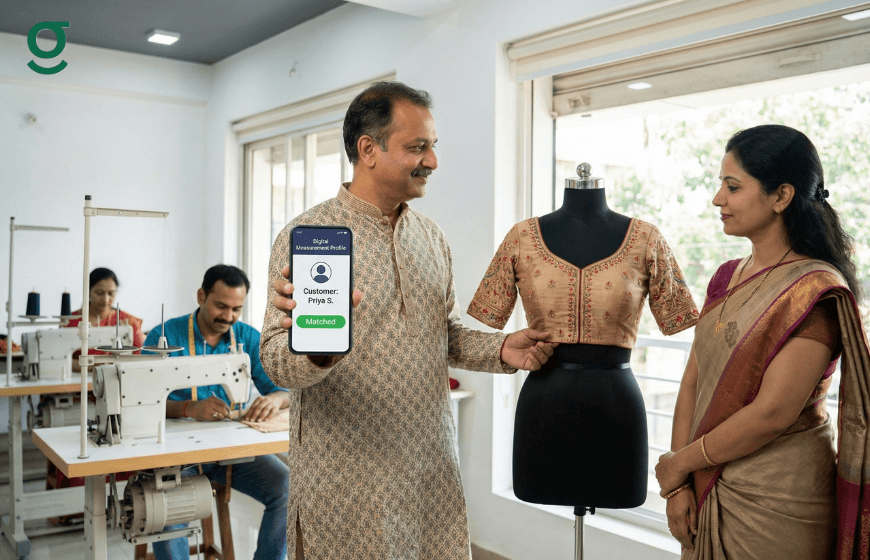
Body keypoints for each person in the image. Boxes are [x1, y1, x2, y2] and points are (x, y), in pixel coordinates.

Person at [261, 81, 557, 560]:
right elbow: (275, 360)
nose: (432, 161)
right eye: (417, 147)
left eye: (433, 146)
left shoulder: (431, 237)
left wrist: (503, 349)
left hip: (429, 471)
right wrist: (318, 351)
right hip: (347, 483)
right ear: (368, 150)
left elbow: (445, 335)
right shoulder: (308, 235)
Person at [654, 124, 870, 560]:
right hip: (703, 478)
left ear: (781, 196)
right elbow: (693, 382)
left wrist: (681, 463)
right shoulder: (726, 275)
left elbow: (773, 413)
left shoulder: (814, 291)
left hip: (778, 498)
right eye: (720, 185)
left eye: (732, 187)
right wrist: (677, 482)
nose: (718, 199)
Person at [467, 166, 698, 510]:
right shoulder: (521, 237)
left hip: (616, 407)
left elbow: (677, 316)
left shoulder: (647, 239)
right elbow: (491, 312)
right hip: (543, 406)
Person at [143, 264, 289, 560]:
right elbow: (142, 402)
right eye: (221, 306)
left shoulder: (246, 338)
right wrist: (188, 408)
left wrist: (274, 400)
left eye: (237, 309)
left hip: (230, 452)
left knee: (286, 486)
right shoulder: (164, 337)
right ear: (201, 296)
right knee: (170, 506)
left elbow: (284, 389)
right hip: (175, 456)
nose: (229, 316)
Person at [67, 267, 146, 356]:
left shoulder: (130, 321)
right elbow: (62, 357)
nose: (106, 299)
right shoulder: (70, 321)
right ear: (88, 292)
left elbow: (138, 356)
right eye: (100, 293)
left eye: (111, 294)